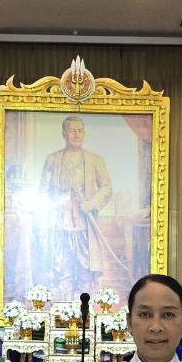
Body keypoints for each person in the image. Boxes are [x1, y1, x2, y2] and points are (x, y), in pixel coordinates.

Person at [40, 114, 113, 297]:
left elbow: (106, 187)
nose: (76, 135)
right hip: (60, 223)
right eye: (72, 131)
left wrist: (92, 203)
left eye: (80, 131)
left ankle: (85, 309)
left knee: (85, 266)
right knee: (61, 263)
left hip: (85, 222)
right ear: (64, 133)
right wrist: (57, 204)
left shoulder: (95, 159)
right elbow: (43, 193)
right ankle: (62, 306)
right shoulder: (52, 159)